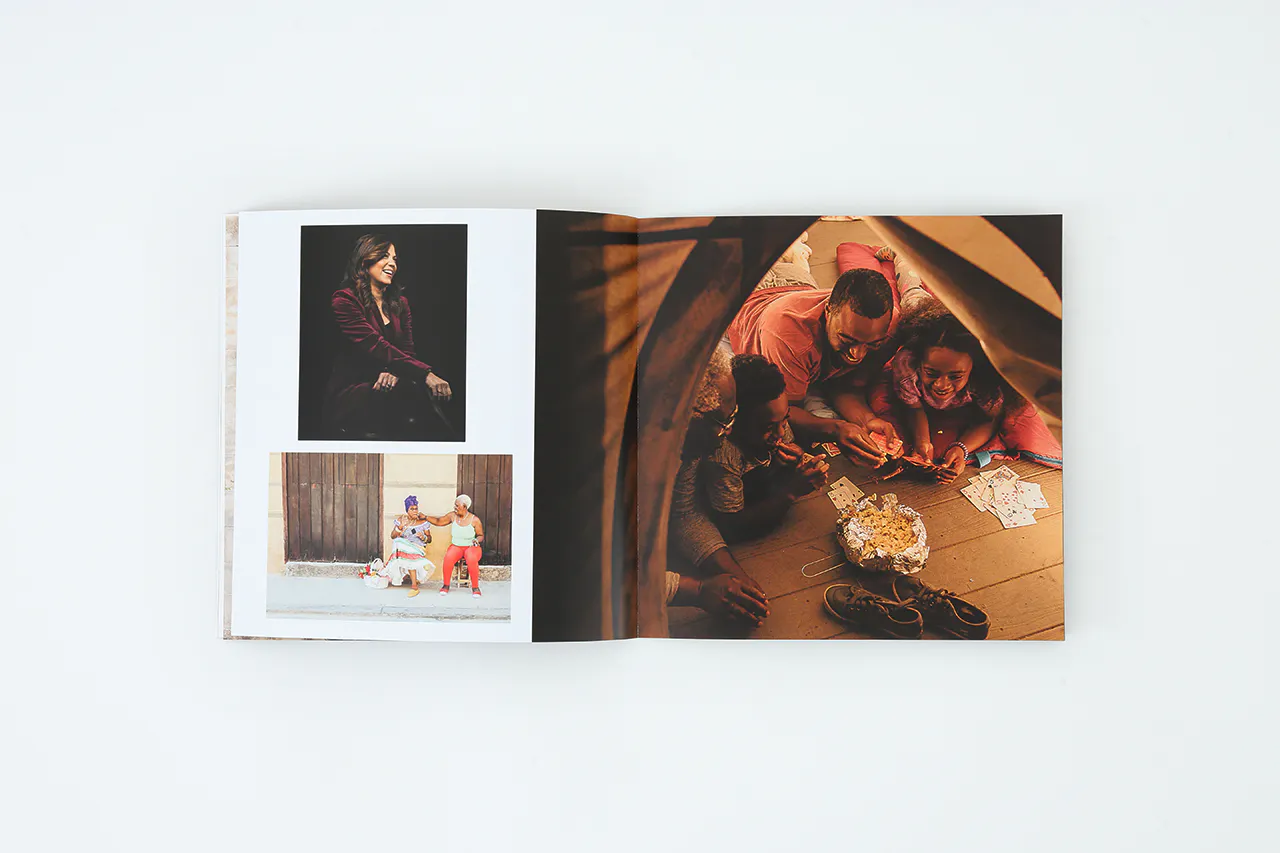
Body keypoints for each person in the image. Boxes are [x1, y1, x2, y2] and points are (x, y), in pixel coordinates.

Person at [726, 243, 933, 467]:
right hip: (742, 294)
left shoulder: (887, 327)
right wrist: (835, 429)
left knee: (789, 259)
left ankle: (793, 251)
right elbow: (785, 412)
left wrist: (867, 419)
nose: (857, 354)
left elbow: (846, 386)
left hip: (797, 282)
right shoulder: (789, 338)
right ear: (827, 311)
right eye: (848, 340)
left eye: (871, 344)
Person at [871, 302, 1063, 480]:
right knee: (912, 293)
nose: (941, 385)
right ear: (918, 361)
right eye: (931, 373)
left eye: (955, 376)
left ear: (973, 369)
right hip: (920, 305)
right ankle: (903, 264)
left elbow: (989, 419)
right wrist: (923, 443)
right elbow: (914, 408)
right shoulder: (906, 367)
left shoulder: (985, 382)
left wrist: (961, 448)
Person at [664, 345, 773, 627]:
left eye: (733, 415)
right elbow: (598, 577)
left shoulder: (689, 445)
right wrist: (695, 590)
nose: (729, 433)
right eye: (722, 422)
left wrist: (735, 575)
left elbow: (683, 513)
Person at [322, 234, 453, 439]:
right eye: (385, 256)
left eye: (394, 259)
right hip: (354, 389)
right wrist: (426, 374)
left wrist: (397, 373)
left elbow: (407, 351)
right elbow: (375, 346)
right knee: (415, 391)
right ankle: (450, 441)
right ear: (365, 259)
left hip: (393, 385)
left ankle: (447, 441)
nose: (392, 263)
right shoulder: (344, 300)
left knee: (410, 391)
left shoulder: (400, 303)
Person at [701, 354, 830, 542]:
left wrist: (797, 460)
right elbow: (733, 527)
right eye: (768, 428)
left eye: (785, 419)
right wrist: (791, 491)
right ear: (733, 421)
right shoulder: (723, 459)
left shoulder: (775, 425)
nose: (780, 433)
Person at [420, 495, 485, 597]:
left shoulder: (474, 520)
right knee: (448, 557)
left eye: (457, 506)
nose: (455, 508)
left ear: (465, 507)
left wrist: (476, 540)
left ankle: (475, 587)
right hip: (457, 546)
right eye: (454, 505)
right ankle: (446, 585)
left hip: (471, 547)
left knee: (471, 558)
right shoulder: (452, 516)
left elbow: (481, 535)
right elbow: (439, 522)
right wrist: (426, 517)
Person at [385, 495, 436, 596]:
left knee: (407, 553)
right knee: (398, 542)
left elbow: (429, 539)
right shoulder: (402, 520)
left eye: (416, 508)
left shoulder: (423, 522)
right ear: (407, 510)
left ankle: (415, 586)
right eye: (412, 509)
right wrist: (399, 527)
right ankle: (421, 568)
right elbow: (393, 536)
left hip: (418, 548)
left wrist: (424, 537)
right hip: (405, 549)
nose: (415, 511)